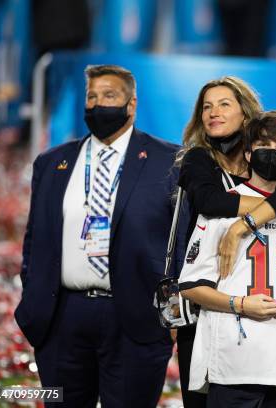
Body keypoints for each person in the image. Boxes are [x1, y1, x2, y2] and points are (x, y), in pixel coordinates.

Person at [14, 65, 188, 407]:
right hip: (62, 317)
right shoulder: (52, 162)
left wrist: (172, 316)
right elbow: (35, 239)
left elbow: (182, 240)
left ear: (132, 104)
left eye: (109, 96)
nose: (98, 104)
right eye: (91, 96)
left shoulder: (170, 160)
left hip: (136, 319)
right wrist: (33, 299)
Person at [175, 77, 276, 407]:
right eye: (206, 107)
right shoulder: (198, 159)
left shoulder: (273, 161)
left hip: (270, 324)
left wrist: (258, 217)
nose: (213, 112)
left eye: (224, 104)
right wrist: (275, 211)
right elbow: (210, 201)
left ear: (246, 114)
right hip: (205, 300)